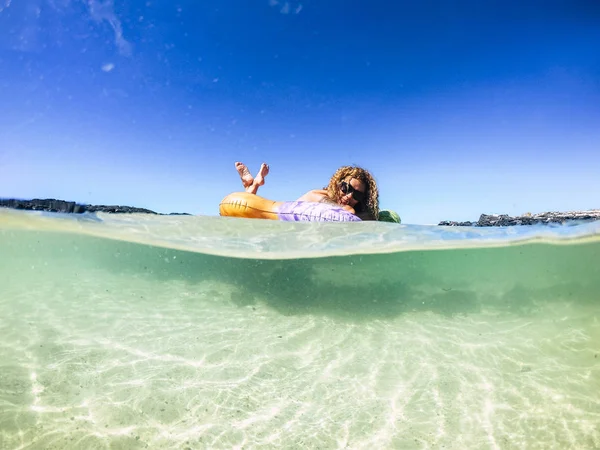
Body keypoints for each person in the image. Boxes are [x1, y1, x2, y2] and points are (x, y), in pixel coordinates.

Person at [234, 162, 380, 221]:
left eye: (357, 194)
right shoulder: (322, 194)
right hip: (276, 219)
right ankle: (253, 185)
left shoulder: (360, 211)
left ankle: (253, 185)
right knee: (242, 211)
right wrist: (347, 208)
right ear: (337, 183)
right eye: (345, 188)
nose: (348, 196)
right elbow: (349, 212)